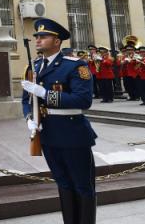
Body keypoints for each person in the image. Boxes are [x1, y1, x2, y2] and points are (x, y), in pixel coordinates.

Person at [21, 18, 97, 224]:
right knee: (63, 184)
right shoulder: (35, 65)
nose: (38, 40)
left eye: (43, 36)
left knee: (82, 186)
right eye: (37, 36)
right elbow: (26, 99)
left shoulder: (74, 66)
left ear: (57, 41)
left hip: (72, 134)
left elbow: (83, 100)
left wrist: (45, 94)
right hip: (47, 135)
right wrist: (30, 117)